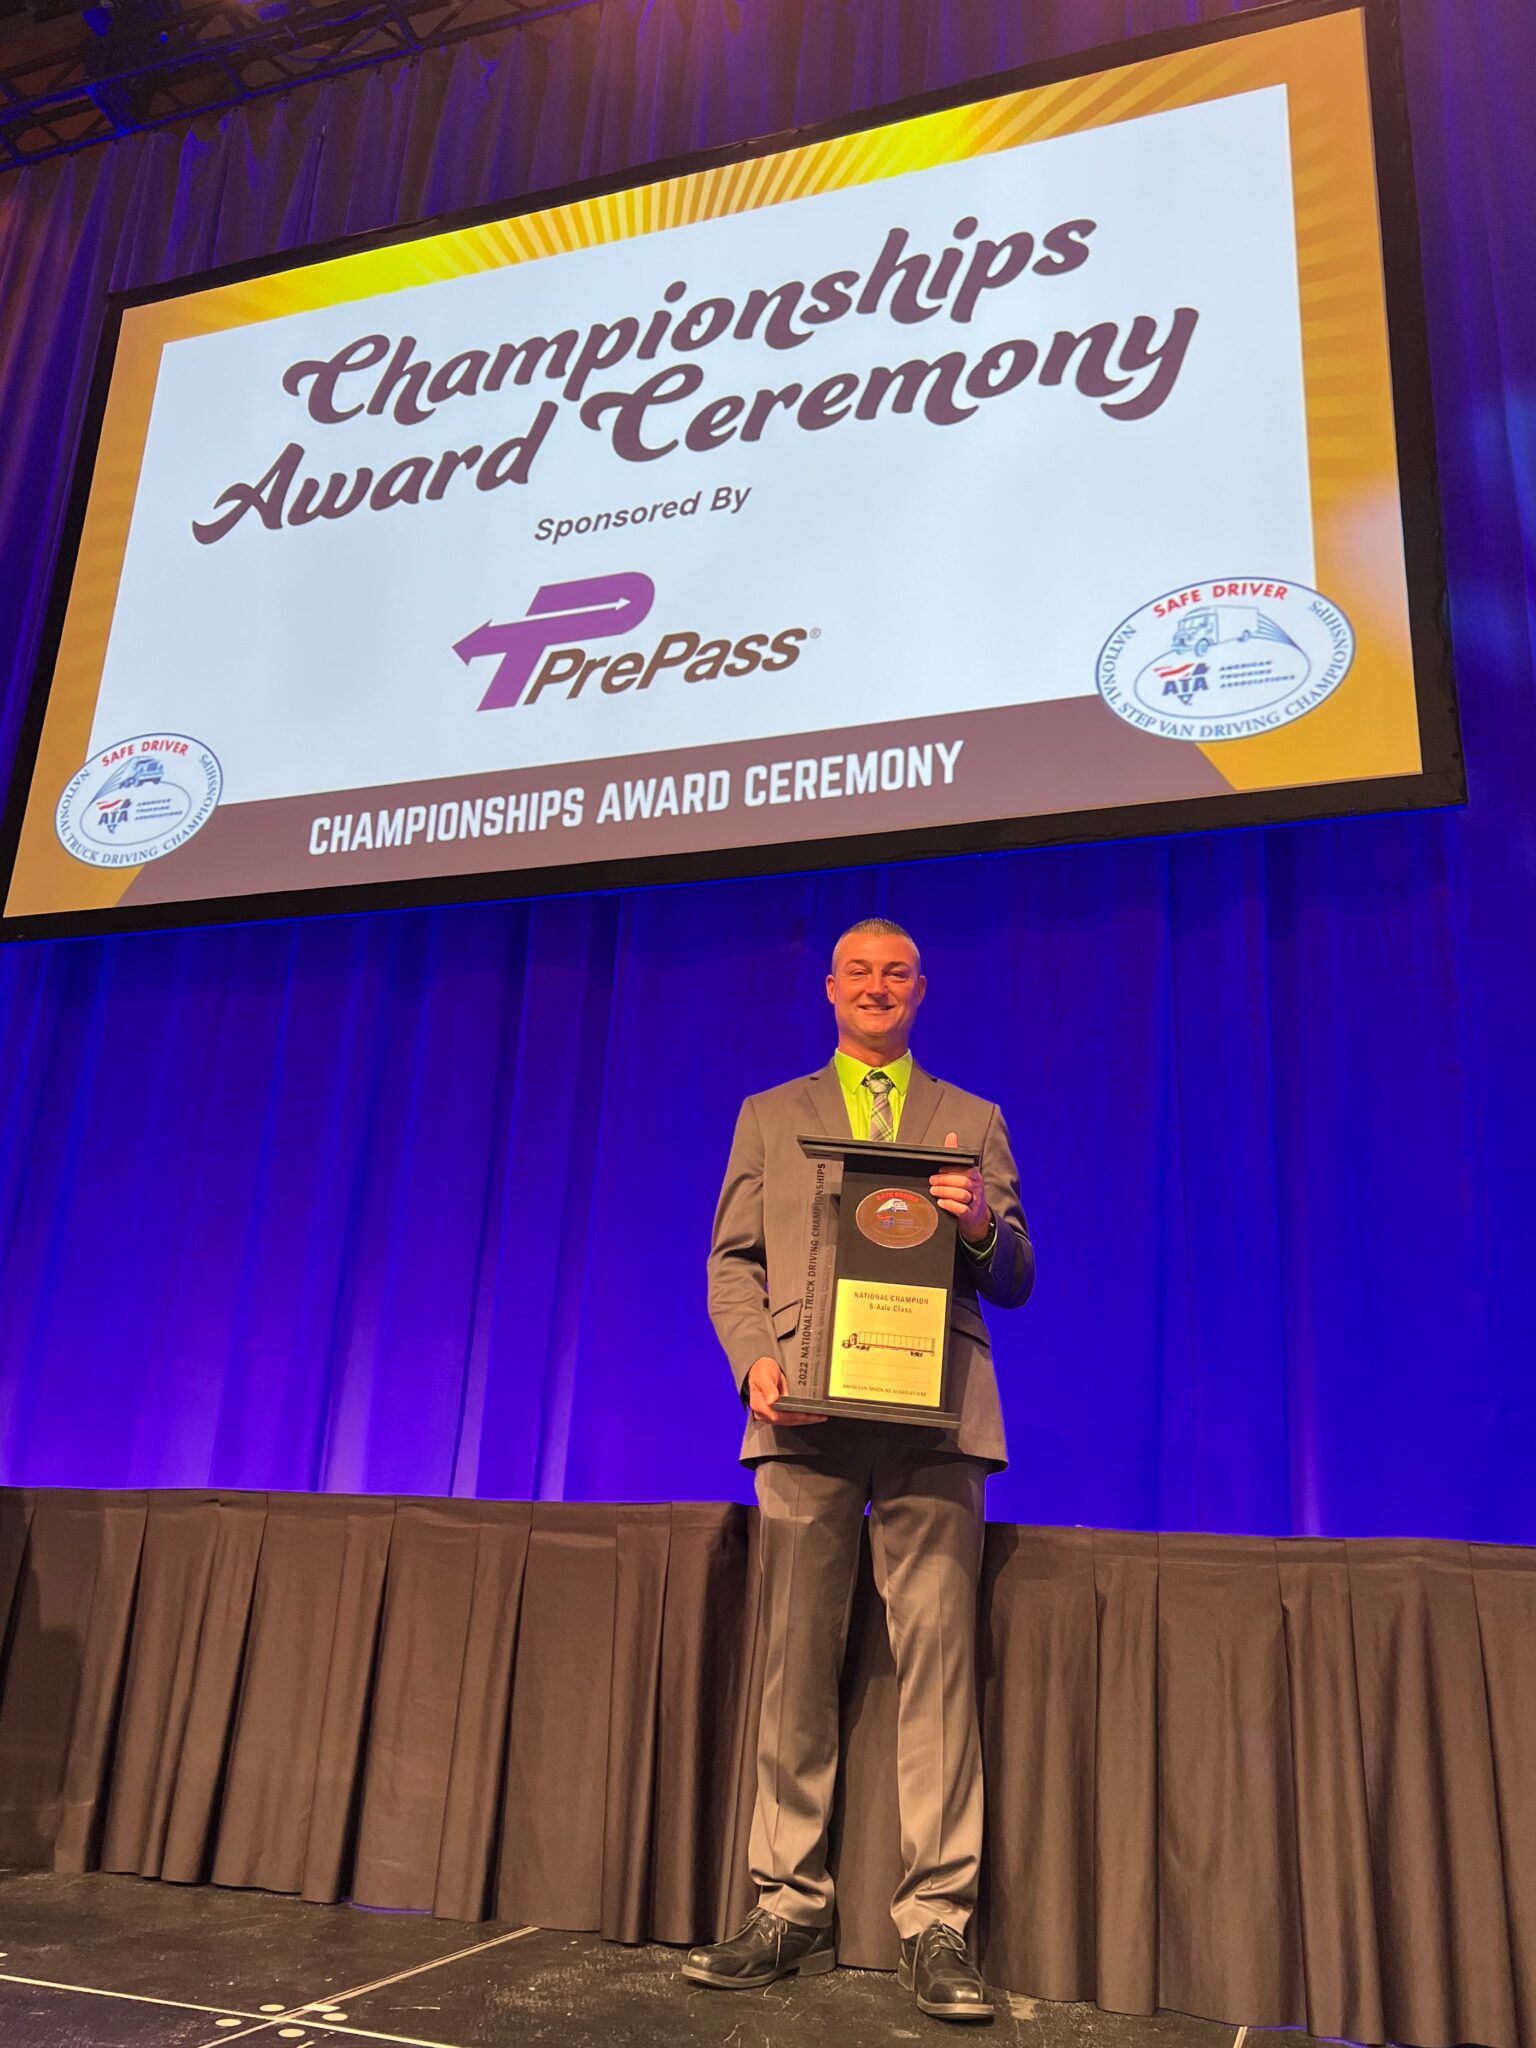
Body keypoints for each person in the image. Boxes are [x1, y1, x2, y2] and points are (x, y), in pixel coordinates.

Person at [684, 917, 1033, 2023]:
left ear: (920, 990)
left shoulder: (971, 1120)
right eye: (859, 971)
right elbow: (732, 1262)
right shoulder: (769, 1114)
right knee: (795, 1663)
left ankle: (937, 1925)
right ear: (830, 988)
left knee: (938, 1670)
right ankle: (787, 1904)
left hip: (934, 1418)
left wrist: (983, 1223)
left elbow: (1018, 1271)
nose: (877, 986)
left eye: (897, 972)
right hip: (802, 1417)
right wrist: (752, 1360)